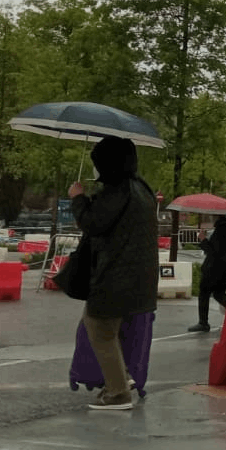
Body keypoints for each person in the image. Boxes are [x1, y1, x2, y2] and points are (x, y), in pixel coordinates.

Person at [68, 136, 159, 410]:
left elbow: (93, 223)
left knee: (99, 328)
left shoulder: (117, 191)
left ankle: (118, 392)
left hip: (115, 276)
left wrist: (78, 198)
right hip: (139, 278)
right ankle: (121, 377)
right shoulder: (140, 188)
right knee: (114, 330)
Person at [188, 214, 226, 333]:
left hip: (215, 269)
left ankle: (203, 323)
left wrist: (203, 239)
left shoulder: (220, 231)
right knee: (218, 293)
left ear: (216, 217)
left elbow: (213, 251)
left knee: (204, 293)